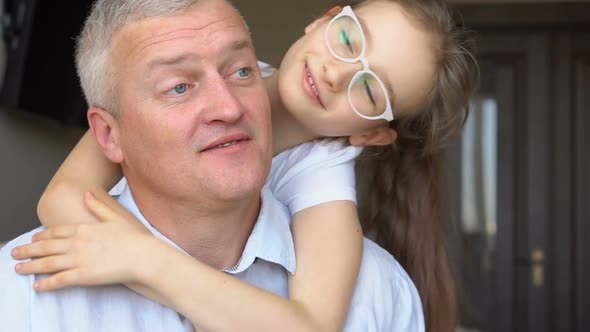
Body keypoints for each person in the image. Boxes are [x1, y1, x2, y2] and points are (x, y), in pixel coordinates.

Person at [7, 0, 478, 331]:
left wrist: (147, 262)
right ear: (323, 21)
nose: (338, 71)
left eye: (371, 90)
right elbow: (61, 199)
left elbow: (312, 326)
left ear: (370, 135)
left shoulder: (325, 172)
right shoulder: (214, 59)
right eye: (349, 38)